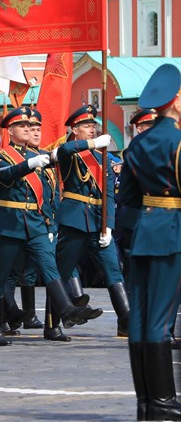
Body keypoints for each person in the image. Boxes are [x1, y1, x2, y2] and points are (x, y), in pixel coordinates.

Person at [0, 107, 100, 347]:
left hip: (36, 224)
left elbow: (48, 194)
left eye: (30, 126)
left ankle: (65, 311)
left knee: (50, 268)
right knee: (0, 277)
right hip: (9, 224)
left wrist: (50, 223)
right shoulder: (0, 155)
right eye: (22, 126)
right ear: (10, 131)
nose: (28, 130)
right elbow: (6, 177)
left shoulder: (41, 156)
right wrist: (29, 164)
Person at [118, 64, 181, 421]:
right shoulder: (177, 140)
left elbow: (127, 199)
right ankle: (162, 403)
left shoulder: (138, 143)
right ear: (176, 101)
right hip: (173, 231)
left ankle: (146, 403)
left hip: (144, 232)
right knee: (161, 318)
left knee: (141, 318)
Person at [55, 105, 128, 337]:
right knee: (63, 272)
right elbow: (64, 149)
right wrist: (93, 144)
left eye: (93, 126)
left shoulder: (102, 157)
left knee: (113, 270)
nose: (92, 129)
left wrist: (109, 226)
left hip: (98, 221)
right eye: (86, 126)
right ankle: (53, 322)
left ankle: (126, 322)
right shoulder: (71, 153)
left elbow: (109, 194)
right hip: (75, 220)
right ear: (75, 129)